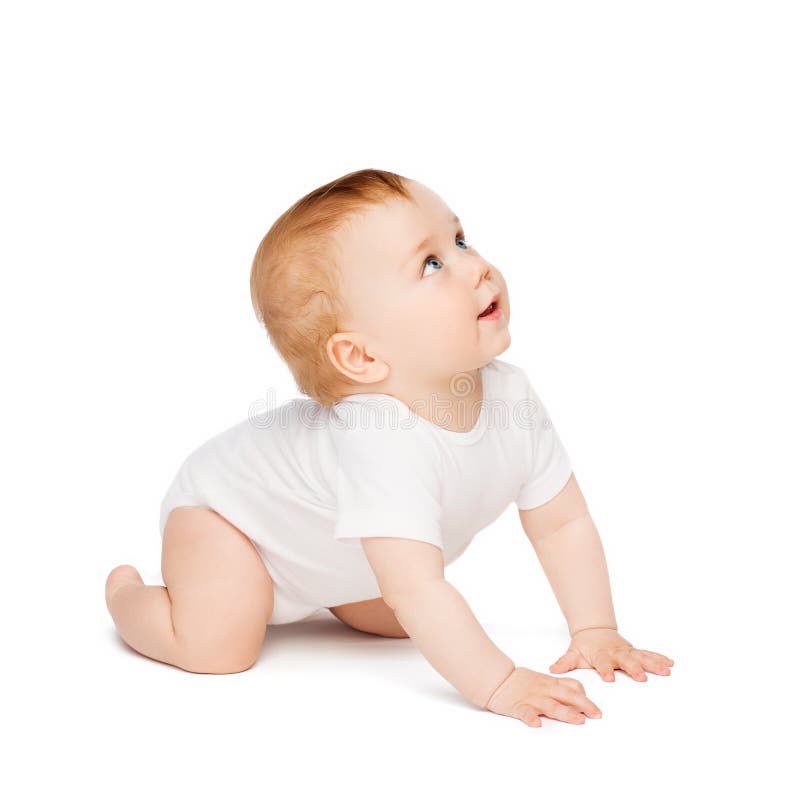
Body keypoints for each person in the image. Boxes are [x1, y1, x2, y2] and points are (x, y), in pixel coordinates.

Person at [105, 168, 673, 727]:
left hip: (332, 552)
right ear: (361, 357)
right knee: (219, 648)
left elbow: (561, 523)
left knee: (403, 618)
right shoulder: (380, 436)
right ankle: (130, 599)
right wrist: (499, 682)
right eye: (431, 264)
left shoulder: (512, 395)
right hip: (226, 524)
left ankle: (335, 594)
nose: (476, 266)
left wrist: (595, 629)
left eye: (459, 240)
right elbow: (419, 588)